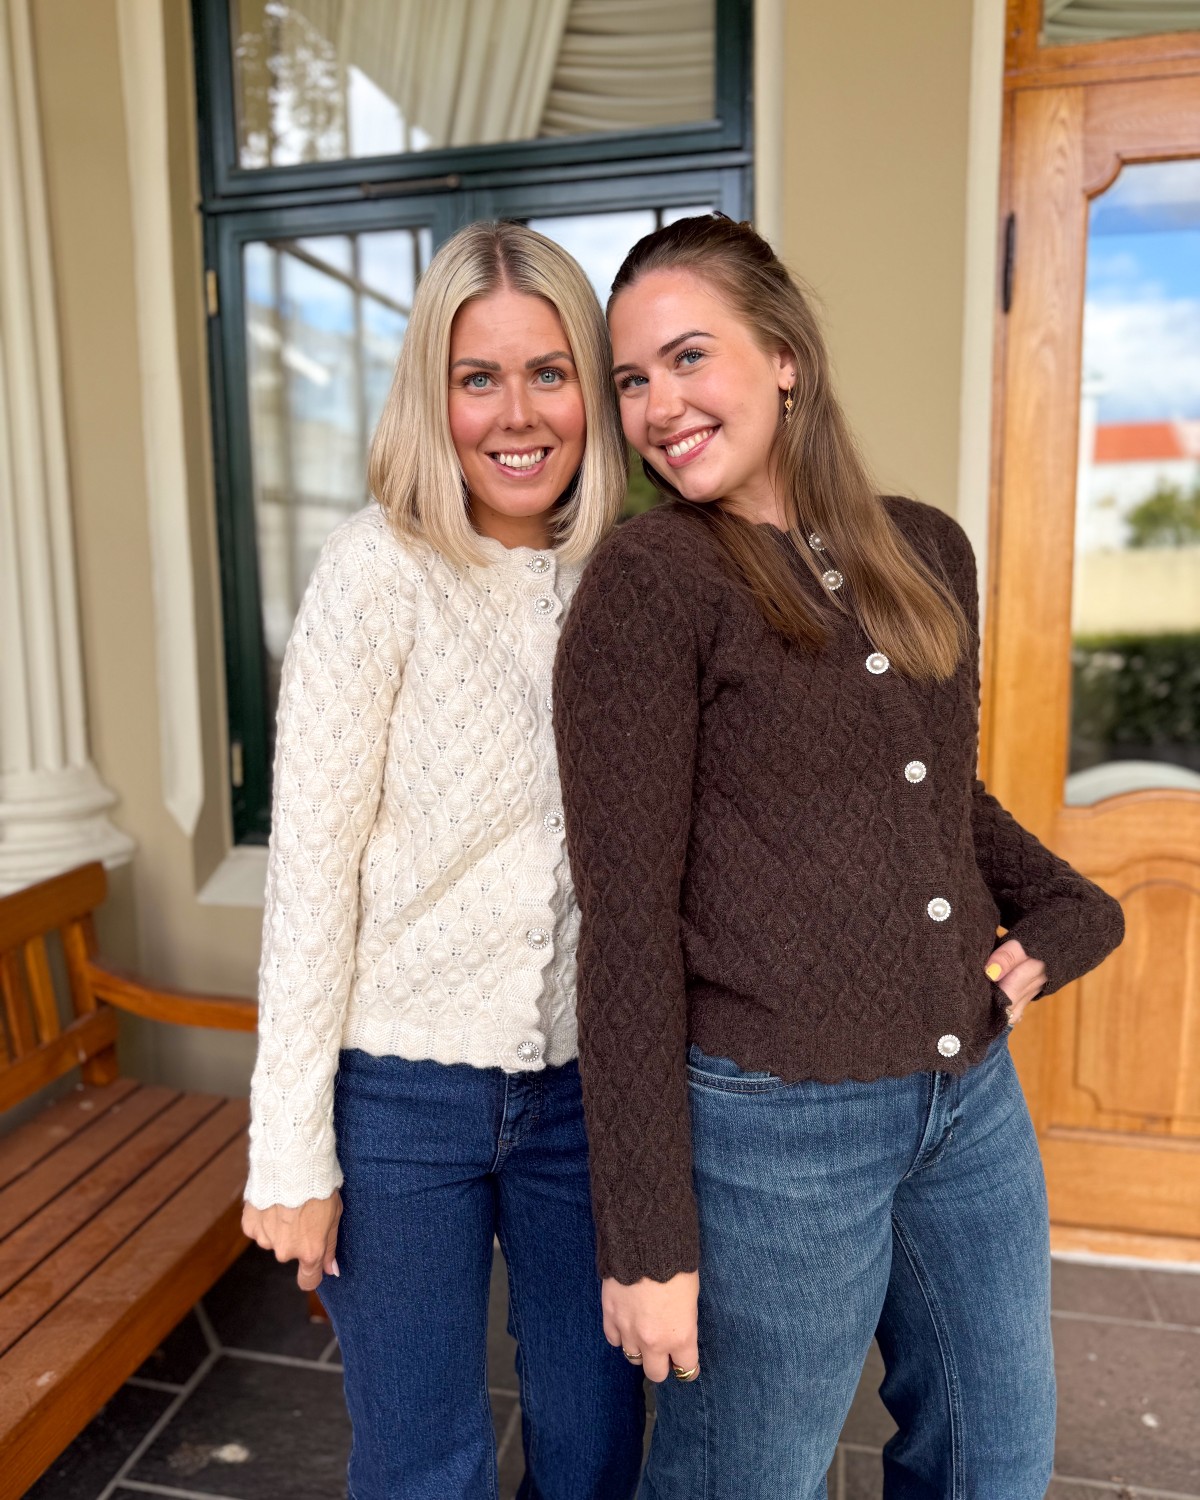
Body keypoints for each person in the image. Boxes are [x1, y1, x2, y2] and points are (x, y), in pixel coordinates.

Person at [552, 213, 1125, 1499]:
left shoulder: (927, 548)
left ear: (785, 356)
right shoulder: (652, 584)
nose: (658, 406)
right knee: (748, 1477)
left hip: (968, 1100)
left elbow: (935, 800)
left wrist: (1069, 909)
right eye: (631, 380)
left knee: (997, 1458)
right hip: (776, 1131)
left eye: (689, 357)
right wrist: (645, 1239)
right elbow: (626, 927)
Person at [240, 220, 645, 1500]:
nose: (517, 415)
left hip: (587, 1096)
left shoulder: (634, 574)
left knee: (595, 1448)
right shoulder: (376, 571)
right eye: (480, 378)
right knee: (425, 1462)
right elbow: (311, 876)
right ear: (436, 396)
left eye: (549, 372)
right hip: (400, 1100)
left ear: (591, 391)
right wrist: (289, 1150)